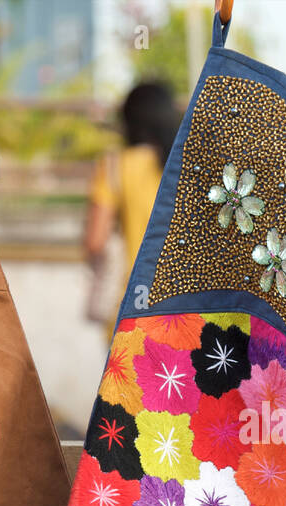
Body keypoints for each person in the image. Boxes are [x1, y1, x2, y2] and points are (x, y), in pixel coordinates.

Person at [84, 82, 180, 338]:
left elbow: (95, 241)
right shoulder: (186, 167)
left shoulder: (114, 165)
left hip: (128, 310)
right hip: (183, 311)